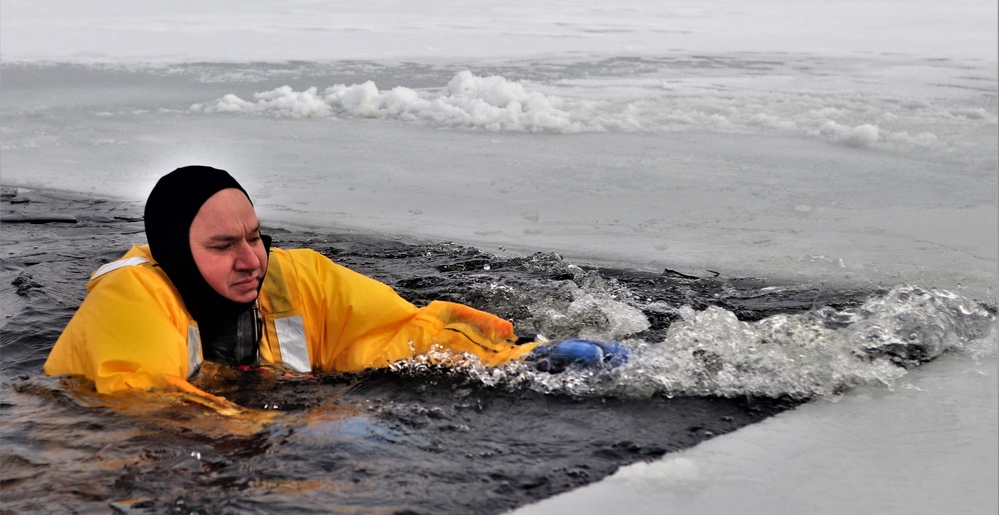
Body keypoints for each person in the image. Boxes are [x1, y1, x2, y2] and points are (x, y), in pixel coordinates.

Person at [44, 166, 626, 411]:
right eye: (223, 247)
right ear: (176, 254)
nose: (251, 260)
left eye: (256, 236)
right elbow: (151, 407)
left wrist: (518, 356)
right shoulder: (130, 299)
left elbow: (399, 331)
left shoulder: (295, 277)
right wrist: (306, 431)